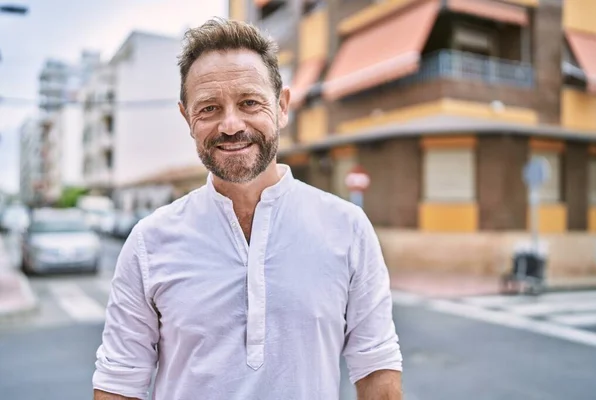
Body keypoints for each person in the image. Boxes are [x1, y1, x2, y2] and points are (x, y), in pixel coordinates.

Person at [93, 17, 403, 400]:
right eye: (208, 108)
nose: (230, 124)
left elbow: (377, 372)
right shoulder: (148, 242)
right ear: (186, 118)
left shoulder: (348, 228)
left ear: (282, 106)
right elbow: (119, 384)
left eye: (249, 102)